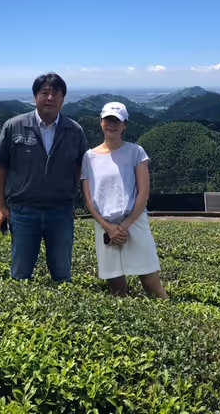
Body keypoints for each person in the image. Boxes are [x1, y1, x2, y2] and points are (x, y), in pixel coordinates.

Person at [0, 73, 87, 282]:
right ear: (35, 97)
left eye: (56, 94)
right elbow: (1, 168)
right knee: (20, 275)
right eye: (44, 93)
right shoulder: (13, 126)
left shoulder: (74, 131)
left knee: (62, 275)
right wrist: (1, 206)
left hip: (60, 212)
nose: (50, 98)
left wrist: (74, 201)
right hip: (23, 211)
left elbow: (80, 170)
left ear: (63, 99)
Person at [81, 102, 168, 298]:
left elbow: (143, 194)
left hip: (135, 222)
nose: (112, 125)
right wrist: (108, 227)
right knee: (117, 288)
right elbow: (89, 199)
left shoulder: (136, 152)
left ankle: (171, 321)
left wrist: (124, 226)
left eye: (117, 121)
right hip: (104, 226)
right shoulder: (89, 157)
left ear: (125, 125)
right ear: (101, 122)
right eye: (108, 120)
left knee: (151, 283)